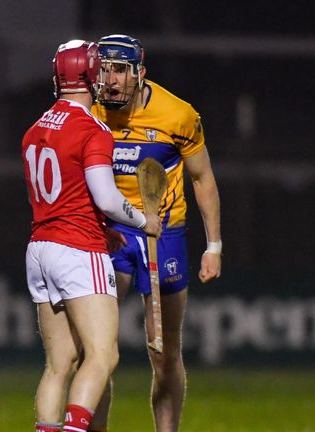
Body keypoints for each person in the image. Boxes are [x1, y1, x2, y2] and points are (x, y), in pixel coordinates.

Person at [22, 39, 162, 432]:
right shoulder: (91, 128)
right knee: (102, 357)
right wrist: (142, 222)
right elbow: (107, 198)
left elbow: (63, 193)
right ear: (88, 74)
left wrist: (105, 231)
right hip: (77, 250)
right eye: (99, 69)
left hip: (40, 249)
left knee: (58, 364)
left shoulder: (34, 129)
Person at [89, 34, 223, 432]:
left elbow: (202, 178)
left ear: (140, 74)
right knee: (95, 351)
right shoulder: (89, 110)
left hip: (163, 232)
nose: (110, 80)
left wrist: (213, 246)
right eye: (103, 69)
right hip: (110, 231)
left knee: (164, 354)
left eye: (120, 70)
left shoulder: (178, 115)